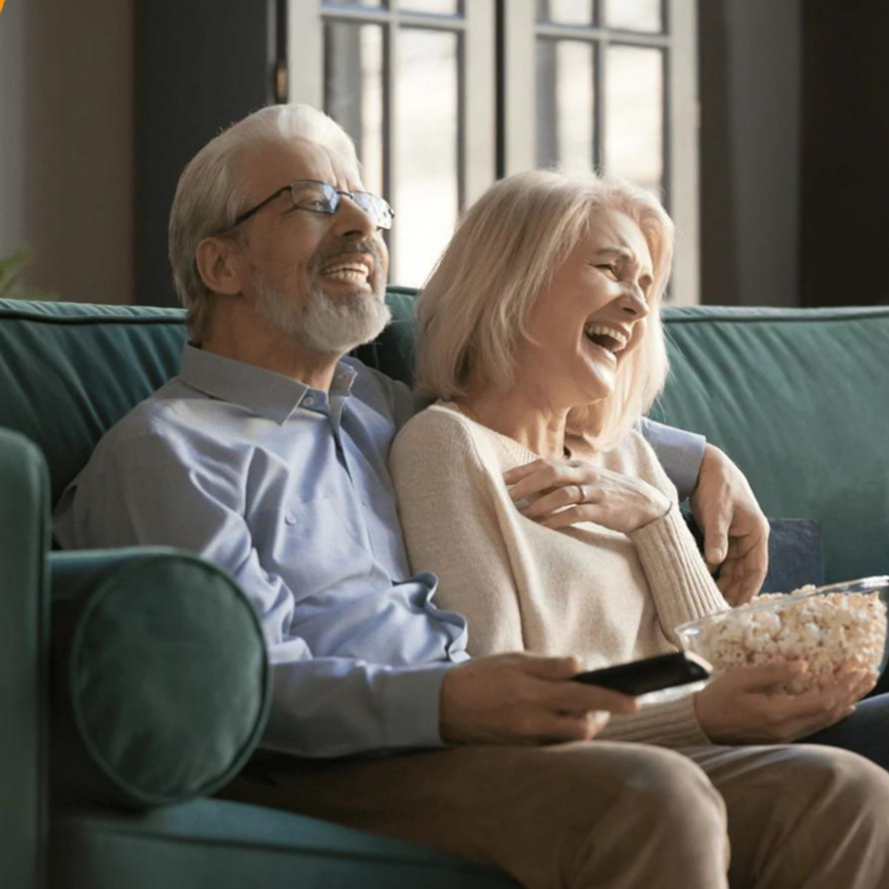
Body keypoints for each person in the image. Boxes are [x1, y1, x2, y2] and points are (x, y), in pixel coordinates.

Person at [51, 104, 889, 889]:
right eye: (313, 202)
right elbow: (242, 692)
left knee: (836, 790)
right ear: (220, 262)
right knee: (652, 793)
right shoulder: (171, 452)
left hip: (470, 734)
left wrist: (694, 459)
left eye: (367, 206)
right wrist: (445, 700)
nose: (360, 227)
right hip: (325, 767)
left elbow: (511, 394)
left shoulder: (377, 406)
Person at [388, 169, 886, 757]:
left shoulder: (625, 452)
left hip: (720, 742)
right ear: (513, 276)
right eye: (610, 269)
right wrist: (696, 719)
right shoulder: (447, 445)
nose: (638, 307)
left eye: (647, 285)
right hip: (631, 763)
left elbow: (718, 664)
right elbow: (507, 711)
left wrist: (657, 517)